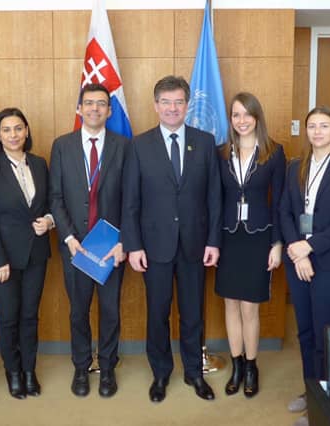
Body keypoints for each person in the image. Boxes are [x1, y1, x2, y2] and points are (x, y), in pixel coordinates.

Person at [121, 75, 222, 403]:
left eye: (178, 101)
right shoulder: (139, 145)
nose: (172, 108)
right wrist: (133, 245)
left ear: (187, 104)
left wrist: (213, 240)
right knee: (158, 313)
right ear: (155, 105)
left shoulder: (205, 142)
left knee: (193, 313)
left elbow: (214, 197)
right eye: (166, 102)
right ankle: (161, 373)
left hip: (195, 245)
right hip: (154, 247)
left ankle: (194, 373)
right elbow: (131, 200)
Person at [279, 106, 330, 426]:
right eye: (312, 126)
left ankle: (327, 400)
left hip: (329, 261)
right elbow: (285, 212)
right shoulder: (296, 166)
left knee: (325, 332)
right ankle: (310, 389)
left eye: (324, 126)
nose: (317, 132)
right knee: (305, 331)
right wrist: (297, 252)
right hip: (298, 261)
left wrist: (310, 247)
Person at [49, 83, 128, 398]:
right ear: (79, 109)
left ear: (109, 111)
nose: (95, 109)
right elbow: (55, 197)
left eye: (101, 104)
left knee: (110, 311)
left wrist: (124, 241)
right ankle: (81, 368)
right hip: (76, 246)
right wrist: (68, 237)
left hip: (110, 246)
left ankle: (107, 369)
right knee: (78, 311)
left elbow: (131, 200)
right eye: (89, 103)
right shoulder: (62, 146)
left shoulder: (124, 146)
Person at [0, 108, 53, 399]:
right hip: (4, 259)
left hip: (36, 253)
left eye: (18, 128)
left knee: (30, 316)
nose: (13, 135)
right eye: (6, 130)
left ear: (27, 131)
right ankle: (13, 372)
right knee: (9, 316)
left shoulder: (39, 163)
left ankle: (30, 370)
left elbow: (48, 205)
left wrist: (49, 221)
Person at [215, 92, 286, 398]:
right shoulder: (221, 153)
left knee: (249, 308)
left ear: (257, 117)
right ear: (230, 119)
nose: (241, 121)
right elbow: (214, 201)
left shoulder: (274, 151)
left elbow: (281, 202)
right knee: (230, 304)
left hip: (259, 238)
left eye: (247, 114)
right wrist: (213, 243)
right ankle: (237, 365)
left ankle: (252, 366)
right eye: (236, 115)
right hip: (228, 238)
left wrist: (277, 243)